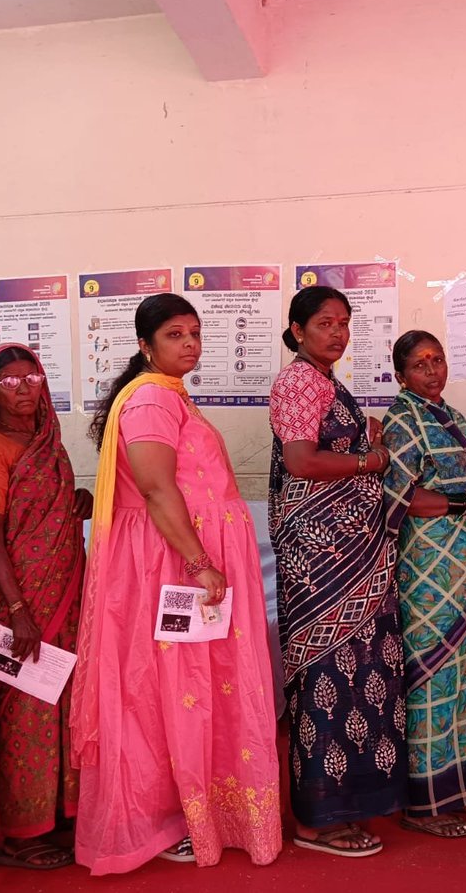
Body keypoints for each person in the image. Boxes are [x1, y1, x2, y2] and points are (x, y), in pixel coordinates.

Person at [71, 293, 280, 873]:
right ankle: (175, 817)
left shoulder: (169, 394)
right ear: (145, 345)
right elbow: (157, 489)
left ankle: (202, 811)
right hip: (172, 563)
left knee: (195, 684)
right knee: (175, 686)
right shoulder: (150, 400)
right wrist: (198, 562)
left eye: (194, 333)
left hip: (183, 556)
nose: (189, 344)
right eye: (174, 335)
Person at [269, 286, 406, 857]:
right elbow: (302, 461)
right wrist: (371, 460)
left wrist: (364, 446)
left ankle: (346, 803)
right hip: (321, 561)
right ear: (298, 331)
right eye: (325, 323)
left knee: (361, 672)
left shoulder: (327, 383)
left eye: (344, 323)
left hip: (351, 555)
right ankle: (316, 819)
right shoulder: (299, 381)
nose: (337, 333)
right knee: (326, 675)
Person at [381, 331, 466, 837]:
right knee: (433, 674)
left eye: (437, 360)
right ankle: (423, 804)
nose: (432, 371)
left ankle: (459, 785)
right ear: (401, 375)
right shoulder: (402, 419)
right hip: (430, 569)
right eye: (420, 364)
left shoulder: (453, 417)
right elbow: (402, 497)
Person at [0, 345, 91, 870]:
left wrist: (77, 501)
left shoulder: (47, 442)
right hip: (21, 601)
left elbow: (46, 508)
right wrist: (17, 609)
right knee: (26, 712)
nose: (24, 388)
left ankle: (59, 815)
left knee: (65, 705)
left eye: (32, 377)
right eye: (10, 381)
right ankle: (20, 834)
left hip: (66, 593)